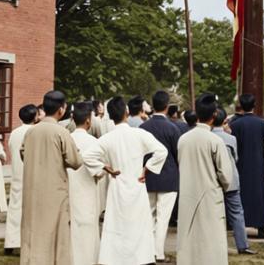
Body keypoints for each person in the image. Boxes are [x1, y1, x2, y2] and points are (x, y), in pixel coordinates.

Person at [85, 95, 168, 265]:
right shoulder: (139, 134)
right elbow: (161, 151)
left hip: (117, 184)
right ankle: (141, 258)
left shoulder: (108, 138)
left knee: (117, 224)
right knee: (138, 224)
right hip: (137, 183)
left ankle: (114, 259)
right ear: (127, 112)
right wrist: (147, 168)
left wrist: (106, 168)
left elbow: (87, 156)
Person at [20, 91, 82, 264]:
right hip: (54, 192)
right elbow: (76, 161)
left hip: (33, 190)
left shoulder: (31, 132)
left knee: (34, 231)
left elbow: (23, 154)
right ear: (61, 110)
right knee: (56, 234)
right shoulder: (61, 132)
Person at [176, 93, 234, 265]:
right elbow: (226, 176)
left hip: (187, 194)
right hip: (210, 195)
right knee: (211, 241)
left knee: (189, 239)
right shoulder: (215, 141)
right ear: (215, 115)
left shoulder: (183, 139)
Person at [140, 90, 182, 262]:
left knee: (148, 216)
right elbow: (177, 153)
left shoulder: (143, 128)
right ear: (166, 106)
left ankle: (147, 251)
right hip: (169, 176)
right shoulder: (173, 128)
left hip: (147, 176)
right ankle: (159, 253)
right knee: (163, 217)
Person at [213, 107, 255, 255]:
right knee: (237, 212)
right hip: (231, 180)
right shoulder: (231, 139)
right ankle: (242, 245)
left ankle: (214, 245)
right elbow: (235, 158)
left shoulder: (208, 137)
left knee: (214, 214)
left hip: (213, 181)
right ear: (225, 121)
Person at [228, 93, 264, 238]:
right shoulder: (262, 124)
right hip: (259, 164)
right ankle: (261, 225)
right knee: (260, 196)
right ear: (254, 105)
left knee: (242, 195)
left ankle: (240, 225)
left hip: (242, 164)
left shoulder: (235, 125)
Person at [69, 102, 104, 265]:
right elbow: (100, 171)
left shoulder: (66, 139)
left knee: (71, 228)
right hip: (87, 188)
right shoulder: (93, 142)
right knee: (88, 228)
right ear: (88, 121)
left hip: (68, 188)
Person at [4, 104, 37, 255]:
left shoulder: (14, 132)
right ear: (35, 116)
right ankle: (28, 241)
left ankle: (11, 241)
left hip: (17, 172)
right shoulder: (34, 132)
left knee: (15, 208)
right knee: (31, 210)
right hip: (31, 174)